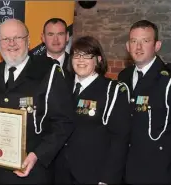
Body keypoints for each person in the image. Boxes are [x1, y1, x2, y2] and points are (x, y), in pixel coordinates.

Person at [0, 18, 75, 184]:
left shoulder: (48, 71)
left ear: (28, 40)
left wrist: (38, 155)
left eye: (17, 37)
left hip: (34, 172)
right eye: (5, 39)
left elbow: (64, 121)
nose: (11, 43)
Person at [54, 36, 131, 184]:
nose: (81, 60)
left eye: (87, 55)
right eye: (77, 55)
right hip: (60, 173)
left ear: (98, 59)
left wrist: (108, 179)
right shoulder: (62, 87)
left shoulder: (112, 90)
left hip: (93, 175)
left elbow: (120, 139)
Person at [118, 20, 171, 184]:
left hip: (161, 170)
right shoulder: (123, 77)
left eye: (145, 41)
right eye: (134, 41)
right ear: (128, 46)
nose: (138, 47)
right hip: (129, 169)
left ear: (157, 45)